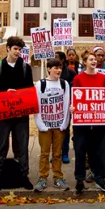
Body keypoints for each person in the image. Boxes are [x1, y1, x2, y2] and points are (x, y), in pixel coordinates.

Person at [0, 36, 34, 191]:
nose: (18, 52)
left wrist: (19, 94)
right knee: (0, 146)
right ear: (7, 48)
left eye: (20, 50)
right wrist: (6, 93)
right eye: (15, 49)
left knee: (22, 146)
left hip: (21, 114)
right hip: (3, 114)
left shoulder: (25, 67)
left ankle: (24, 175)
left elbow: (29, 89)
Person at [71, 53, 105, 194]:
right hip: (82, 122)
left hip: (99, 122)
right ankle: (79, 180)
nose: (94, 61)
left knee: (99, 151)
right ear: (84, 62)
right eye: (91, 59)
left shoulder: (103, 78)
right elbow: (74, 96)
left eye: (95, 59)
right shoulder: (78, 78)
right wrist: (72, 107)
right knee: (80, 150)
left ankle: (100, 178)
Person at [34, 58, 70, 192]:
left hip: (59, 125)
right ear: (48, 69)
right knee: (44, 153)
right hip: (45, 125)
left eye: (60, 68)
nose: (58, 70)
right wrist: (40, 124)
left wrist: (64, 123)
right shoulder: (40, 84)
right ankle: (42, 178)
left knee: (57, 153)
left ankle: (58, 177)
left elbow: (66, 104)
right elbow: (36, 105)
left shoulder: (64, 84)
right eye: (55, 68)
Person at [55, 51, 76, 164]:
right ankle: (56, 153)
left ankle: (65, 153)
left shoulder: (71, 73)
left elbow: (74, 89)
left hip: (67, 106)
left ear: (63, 60)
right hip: (55, 106)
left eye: (57, 58)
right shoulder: (52, 72)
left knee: (66, 130)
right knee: (55, 131)